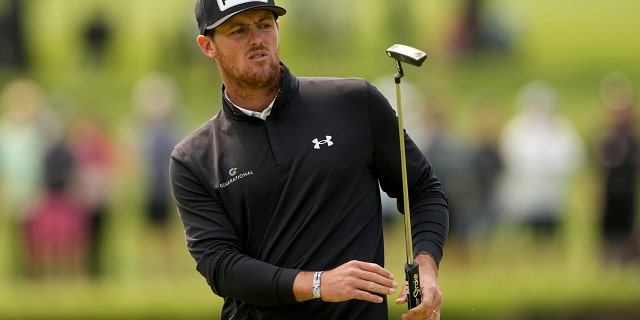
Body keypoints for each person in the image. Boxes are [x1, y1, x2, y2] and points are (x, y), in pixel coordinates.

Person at [169, 1, 449, 319]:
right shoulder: (194, 158)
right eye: (238, 30)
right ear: (208, 46)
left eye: (264, 24)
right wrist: (317, 284)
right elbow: (221, 266)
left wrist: (426, 269)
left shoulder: (354, 103)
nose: (256, 39)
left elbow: (423, 190)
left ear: (277, 29)